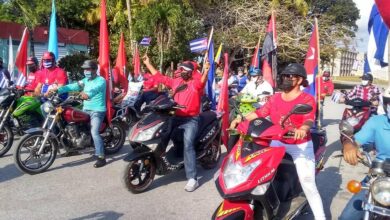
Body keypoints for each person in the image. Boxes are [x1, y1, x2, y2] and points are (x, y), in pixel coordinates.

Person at [232, 63, 326, 220]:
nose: (286, 78)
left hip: (299, 146)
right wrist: (240, 118)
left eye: (290, 76)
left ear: (299, 80)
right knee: (258, 174)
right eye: (284, 75)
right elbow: (260, 113)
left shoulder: (306, 99)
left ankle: (321, 217)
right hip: (277, 142)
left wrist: (302, 129)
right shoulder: (275, 98)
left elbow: (308, 119)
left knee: (308, 183)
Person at [142, 54, 209, 192]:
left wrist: (206, 70)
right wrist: (148, 63)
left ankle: (192, 178)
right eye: (181, 69)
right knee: (163, 135)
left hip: (191, 120)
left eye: (185, 70)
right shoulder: (176, 82)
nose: (182, 71)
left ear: (190, 72)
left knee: (188, 145)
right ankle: (157, 161)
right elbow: (160, 77)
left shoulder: (195, 83)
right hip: (176, 117)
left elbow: (202, 81)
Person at [339, 86, 390, 220]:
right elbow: (356, 140)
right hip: (379, 177)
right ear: (385, 104)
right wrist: (349, 145)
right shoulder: (377, 121)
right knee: (347, 217)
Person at [49, 60, 107, 168]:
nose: (86, 71)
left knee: (94, 132)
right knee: (68, 120)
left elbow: (95, 89)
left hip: (97, 110)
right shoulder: (85, 80)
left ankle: (101, 157)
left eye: (88, 69)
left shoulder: (101, 80)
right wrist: (58, 90)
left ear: (94, 69)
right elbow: (73, 86)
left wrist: (87, 94)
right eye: (85, 69)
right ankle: (71, 146)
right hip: (85, 108)